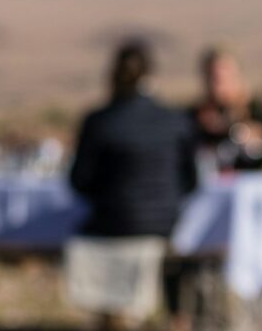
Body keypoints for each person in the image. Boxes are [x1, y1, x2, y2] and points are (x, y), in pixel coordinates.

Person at [68, 40, 198, 240]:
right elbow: (191, 180)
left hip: (112, 223)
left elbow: (80, 180)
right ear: (151, 76)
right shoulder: (177, 121)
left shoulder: (100, 122)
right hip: (167, 224)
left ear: (113, 76)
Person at [190, 45, 262, 175]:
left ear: (238, 76)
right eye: (215, 78)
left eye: (227, 76)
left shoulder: (258, 112)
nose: (221, 83)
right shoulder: (194, 118)